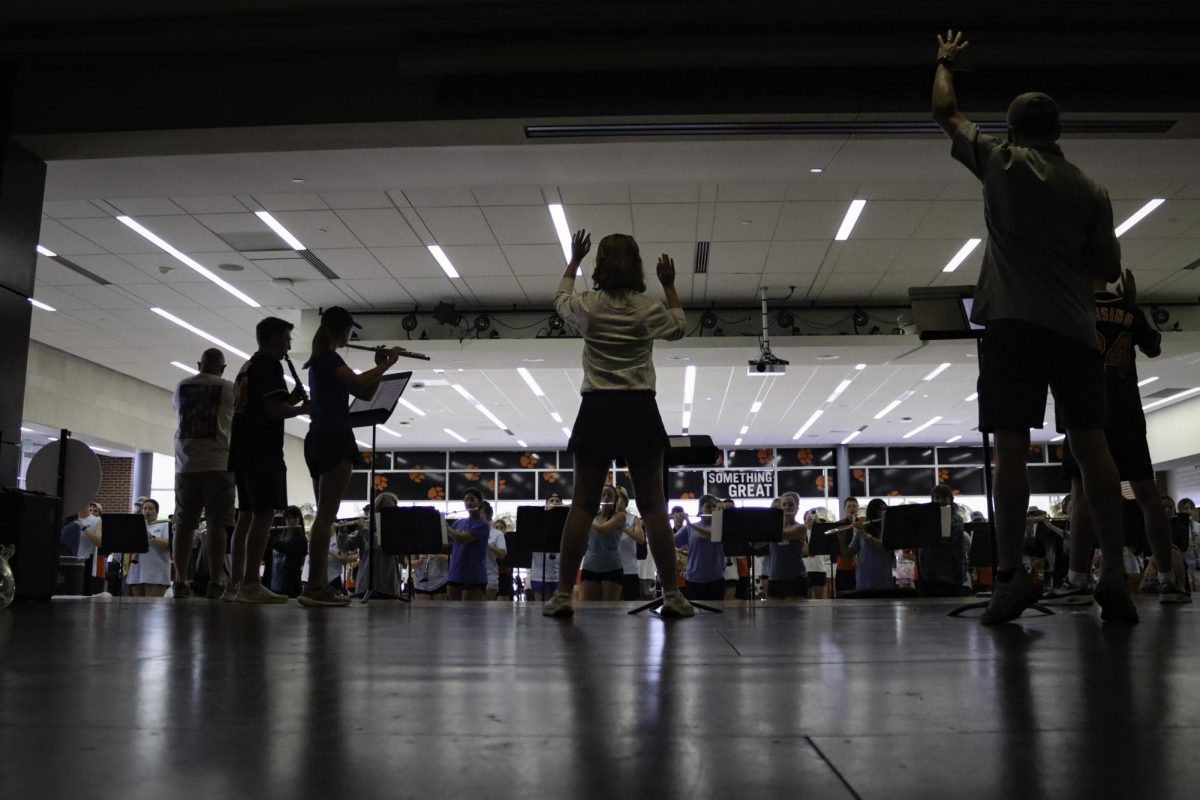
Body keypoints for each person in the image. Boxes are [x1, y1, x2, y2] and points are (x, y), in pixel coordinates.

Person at [933, 30, 1133, 624]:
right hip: (1074, 328)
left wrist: (945, 61)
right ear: (1059, 132)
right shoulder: (1091, 190)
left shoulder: (1001, 162)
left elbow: (944, 110)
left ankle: (1013, 579)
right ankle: (1115, 577)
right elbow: (1108, 270)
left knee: (1012, 454)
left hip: (1014, 325)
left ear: (1015, 130)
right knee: (1093, 445)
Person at [542, 229, 692, 618]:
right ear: (639, 266)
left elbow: (559, 300)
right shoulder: (648, 308)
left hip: (596, 408)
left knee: (582, 506)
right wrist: (670, 285)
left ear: (599, 265)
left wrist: (573, 260)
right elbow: (678, 325)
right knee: (655, 508)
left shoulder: (588, 305)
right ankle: (673, 595)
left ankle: (561, 596)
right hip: (639, 408)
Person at [1043, 271, 1190, 606]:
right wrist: (1132, 308)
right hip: (1127, 414)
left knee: (1081, 493)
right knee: (1147, 494)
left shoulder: (1071, 307)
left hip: (1086, 414)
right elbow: (1153, 347)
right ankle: (1168, 581)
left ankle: (1077, 580)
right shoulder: (1128, 309)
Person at [299, 306, 401, 607]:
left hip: (319, 436)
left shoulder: (321, 360)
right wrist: (387, 365)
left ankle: (315, 585)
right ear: (335, 330)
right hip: (333, 437)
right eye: (346, 330)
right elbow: (357, 383)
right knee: (325, 517)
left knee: (324, 516)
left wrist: (380, 367)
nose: (349, 336)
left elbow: (365, 395)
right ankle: (315, 586)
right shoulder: (328, 358)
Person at [225, 317, 309, 604]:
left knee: (245, 515)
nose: (288, 345)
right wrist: (304, 409)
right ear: (274, 338)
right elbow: (273, 410)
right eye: (286, 339)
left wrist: (293, 400)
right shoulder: (269, 365)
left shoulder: (248, 365)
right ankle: (250, 583)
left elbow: (263, 405)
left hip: (242, 448)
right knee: (262, 514)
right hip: (262, 450)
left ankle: (234, 584)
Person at [169, 347, 236, 600]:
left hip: (186, 464)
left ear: (199, 364)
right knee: (218, 523)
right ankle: (216, 580)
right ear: (223, 368)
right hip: (219, 461)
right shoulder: (228, 388)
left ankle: (179, 580)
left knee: (184, 524)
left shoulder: (181, 386)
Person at [918, 485, 972, 597]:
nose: (940, 501)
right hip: (930, 571)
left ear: (950, 499)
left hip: (951, 570)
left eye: (944, 498)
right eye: (937, 498)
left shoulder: (956, 519)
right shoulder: (927, 519)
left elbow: (951, 543)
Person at [579, 485, 629, 602]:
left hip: (611, 567)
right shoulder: (593, 516)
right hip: (590, 565)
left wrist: (584, 516)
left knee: (609, 611)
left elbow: (602, 529)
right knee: (588, 609)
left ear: (615, 500)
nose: (606, 497)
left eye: (609, 495)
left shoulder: (620, 516)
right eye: (603, 495)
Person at [673, 495, 726, 602]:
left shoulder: (719, 526)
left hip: (715, 578)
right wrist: (676, 521)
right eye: (708, 507)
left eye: (714, 507)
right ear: (700, 509)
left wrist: (690, 524)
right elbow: (670, 542)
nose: (712, 509)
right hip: (694, 578)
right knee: (695, 616)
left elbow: (713, 535)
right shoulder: (688, 528)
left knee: (716, 615)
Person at [445, 488, 491, 601]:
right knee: (453, 615)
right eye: (466, 500)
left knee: (471, 617)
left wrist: (445, 527)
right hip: (454, 574)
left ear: (479, 502)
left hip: (473, 576)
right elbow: (448, 543)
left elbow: (462, 539)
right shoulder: (458, 522)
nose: (468, 502)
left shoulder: (482, 524)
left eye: (472, 499)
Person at [765, 493, 810, 600]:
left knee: (795, 615)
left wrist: (764, 529)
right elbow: (757, 544)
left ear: (797, 508)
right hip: (775, 577)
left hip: (795, 578)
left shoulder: (800, 528)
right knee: (774, 615)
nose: (787, 507)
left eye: (790, 504)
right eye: (784, 505)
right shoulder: (772, 530)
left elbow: (784, 534)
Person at [127, 499, 171, 597]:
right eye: (145, 508)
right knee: (137, 607)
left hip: (156, 572)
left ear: (156, 512)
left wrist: (151, 537)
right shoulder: (137, 527)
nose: (147, 511)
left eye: (150, 509)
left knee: (152, 608)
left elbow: (169, 545)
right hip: (137, 570)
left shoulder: (164, 525)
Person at [849, 499, 894, 593]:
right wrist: (841, 539)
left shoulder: (889, 529)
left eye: (885, 510)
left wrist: (863, 532)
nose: (884, 513)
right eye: (881, 510)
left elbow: (882, 545)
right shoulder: (862, 529)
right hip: (864, 581)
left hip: (884, 581)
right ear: (873, 512)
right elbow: (849, 553)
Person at [269, 506, 308, 598]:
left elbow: (288, 548)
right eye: (289, 518)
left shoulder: (301, 540)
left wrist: (269, 539)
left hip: (291, 588)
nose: (291, 521)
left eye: (295, 517)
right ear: (285, 520)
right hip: (273, 586)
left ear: (299, 520)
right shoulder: (278, 538)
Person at [529, 494, 562, 600]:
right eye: (552, 500)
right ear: (546, 505)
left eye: (557, 501)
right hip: (540, 574)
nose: (555, 503)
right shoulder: (538, 522)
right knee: (539, 609)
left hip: (559, 575)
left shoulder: (565, 523)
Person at [616, 490, 646, 601]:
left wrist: (624, 528)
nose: (616, 501)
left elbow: (641, 539)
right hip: (611, 567)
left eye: (619, 498)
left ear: (625, 502)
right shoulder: (606, 517)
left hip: (629, 568)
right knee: (610, 603)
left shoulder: (633, 518)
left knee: (631, 603)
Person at [833, 496, 861, 596]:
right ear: (844, 508)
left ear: (857, 508)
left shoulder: (862, 524)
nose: (852, 508)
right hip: (843, 568)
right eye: (849, 506)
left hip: (860, 568)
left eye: (854, 506)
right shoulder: (838, 525)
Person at [486, 515, 509, 601]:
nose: (499, 529)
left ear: (505, 530)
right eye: (496, 527)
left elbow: (505, 557)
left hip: (504, 573)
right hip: (493, 571)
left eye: (501, 528)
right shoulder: (491, 539)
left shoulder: (507, 542)